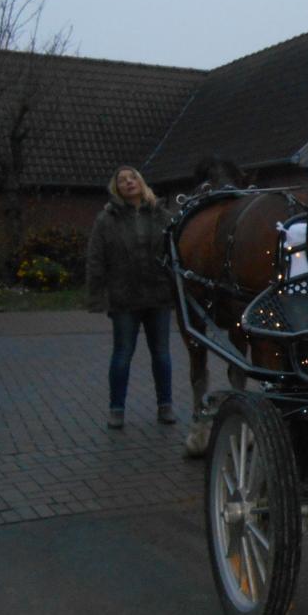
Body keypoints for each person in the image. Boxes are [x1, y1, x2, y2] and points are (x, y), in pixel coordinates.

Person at [86, 166, 176, 430]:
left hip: (158, 295)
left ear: (141, 182)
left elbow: (176, 253)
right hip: (124, 298)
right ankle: (116, 409)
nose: (128, 182)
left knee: (161, 354)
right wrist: (96, 296)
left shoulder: (163, 216)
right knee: (123, 353)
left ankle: (166, 406)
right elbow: (95, 258)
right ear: (117, 189)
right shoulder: (106, 220)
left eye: (132, 177)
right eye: (122, 180)